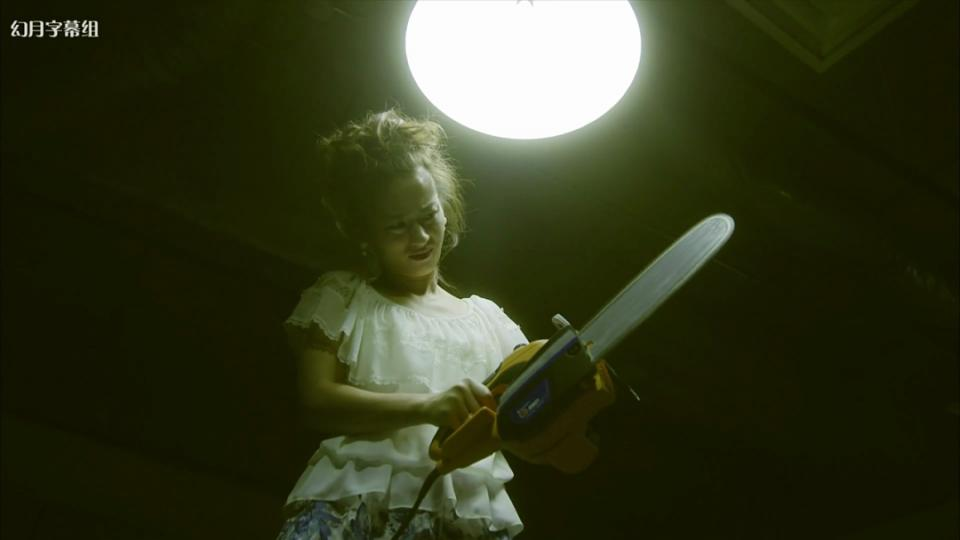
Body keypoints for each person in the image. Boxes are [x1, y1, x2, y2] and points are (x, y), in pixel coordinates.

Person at [275, 108, 528, 539]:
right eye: (397, 227)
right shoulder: (344, 297)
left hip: (466, 515)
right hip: (351, 502)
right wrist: (428, 406)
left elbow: (529, 414)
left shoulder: (492, 323)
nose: (421, 238)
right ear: (365, 234)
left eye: (429, 216)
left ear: (444, 207)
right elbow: (316, 400)